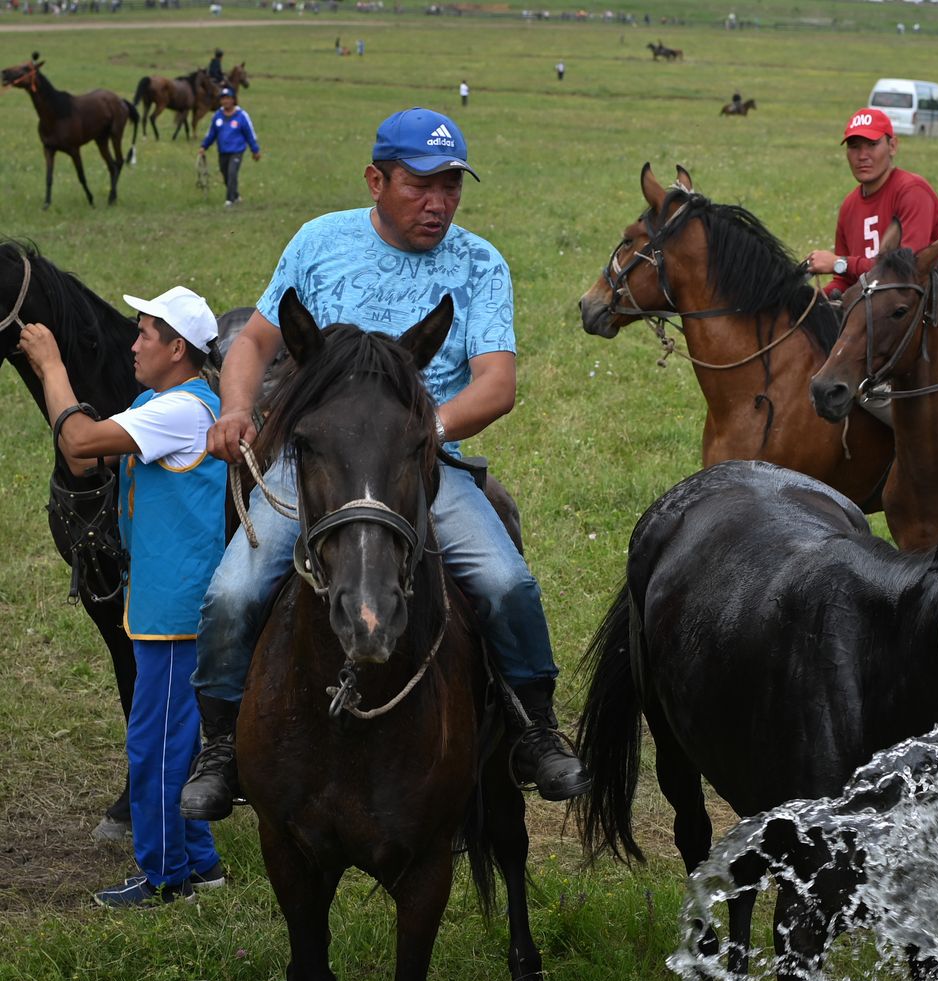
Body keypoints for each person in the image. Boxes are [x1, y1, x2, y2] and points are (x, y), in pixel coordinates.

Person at [180, 108, 588, 820]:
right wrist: (236, 409)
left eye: (451, 187)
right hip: (317, 465)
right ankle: (219, 747)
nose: (439, 203)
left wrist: (416, 431)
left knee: (506, 581)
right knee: (233, 593)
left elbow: (496, 383)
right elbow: (251, 344)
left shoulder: (479, 262)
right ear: (376, 180)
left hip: (419, 466)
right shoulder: (318, 243)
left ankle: (533, 729)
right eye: (420, 186)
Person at [20, 288, 229, 907]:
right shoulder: (157, 403)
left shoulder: (184, 412)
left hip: (175, 611)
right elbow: (82, 456)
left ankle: (166, 877)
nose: (132, 343)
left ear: (178, 349)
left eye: (145, 335)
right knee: (176, 738)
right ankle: (200, 864)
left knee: (155, 742)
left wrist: (53, 368)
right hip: (163, 603)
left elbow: (80, 442)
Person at [804, 107, 938, 299]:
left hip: (917, 315)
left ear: (892, 146)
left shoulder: (913, 191)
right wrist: (809, 302)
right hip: (868, 315)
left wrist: (840, 263)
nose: (862, 155)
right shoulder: (849, 206)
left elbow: (905, 273)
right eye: (854, 146)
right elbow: (843, 282)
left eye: (872, 144)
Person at [198, 85, 260, 208]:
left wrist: (255, 150)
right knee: (225, 174)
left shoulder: (242, 115)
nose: (225, 101)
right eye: (223, 99)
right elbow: (211, 133)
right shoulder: (217, 116)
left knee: (232, 173)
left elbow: (249, 134)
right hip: (223, 151)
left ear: (233, 100)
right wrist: (204, 146)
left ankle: (229, 200)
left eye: (228, 98)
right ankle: (236, 196)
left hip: (237, 151)